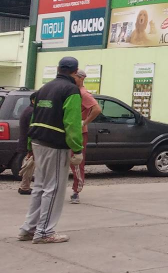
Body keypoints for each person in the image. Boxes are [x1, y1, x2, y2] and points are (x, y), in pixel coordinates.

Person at [17, 57, 83, 244]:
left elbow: (34, 117)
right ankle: (44, 232)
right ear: (75, 71)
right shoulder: (71, 90)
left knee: (39, 187)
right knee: (53, 189)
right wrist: (77, 148)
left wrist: (30, 145)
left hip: (38, 141)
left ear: (58, 69)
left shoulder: (44, 89)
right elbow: (72, 123)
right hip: (55, 145)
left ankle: (28, 229)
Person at [70, 68, 100, 204]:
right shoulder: (73, 91)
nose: (72, 79)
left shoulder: (83, 93)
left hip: (79, 133)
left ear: (81, 78)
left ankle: (76, 191)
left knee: (77, 162)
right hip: (68, 131)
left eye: (74, 77)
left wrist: (84, 122)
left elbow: (97, 109)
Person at [16, 95, 36, 195]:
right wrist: (30, 147)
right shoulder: (31, 112)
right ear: (33, 100)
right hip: (28, 143)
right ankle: (24, 187)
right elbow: (31, 130)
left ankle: (24, 186)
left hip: (25, 142)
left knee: (28, 164)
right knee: (29, 165)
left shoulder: (28, 110)